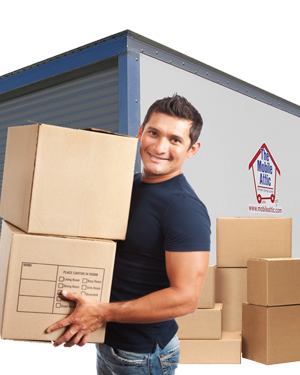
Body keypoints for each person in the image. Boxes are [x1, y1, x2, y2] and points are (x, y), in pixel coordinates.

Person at [46, 94, 211, 374]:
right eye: (154, 133)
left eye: (175, 140)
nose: (159, 147)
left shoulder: (184, 208)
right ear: (140, 133)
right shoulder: (128, 187)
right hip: (112, 344)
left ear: (191, 149)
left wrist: (101, 312)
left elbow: (186, 298)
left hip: (144, 355)